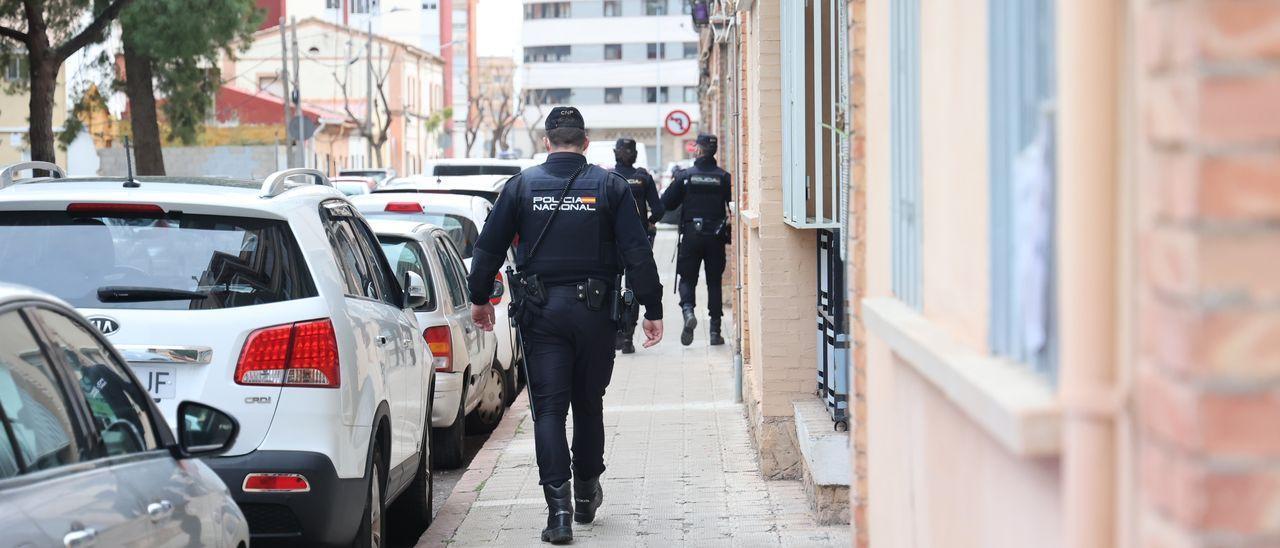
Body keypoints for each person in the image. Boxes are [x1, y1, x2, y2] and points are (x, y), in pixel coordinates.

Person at [466, 106, 664, 545]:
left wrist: (480, 300)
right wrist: (653, 308)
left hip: (542, 317)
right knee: (589, 404)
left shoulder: (521, 187)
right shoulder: (610, 187)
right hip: (595, 315)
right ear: (586, 143)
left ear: (547, 141)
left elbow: (487, 250)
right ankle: (588, 491)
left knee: (549, 411)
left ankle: (559, 514)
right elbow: (637, 253)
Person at [660, 133, 731, 346]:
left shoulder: (685, 176)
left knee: (688, 279)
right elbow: (732, 204)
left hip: (692, 234)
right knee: (714, 282)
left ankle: (688, 311)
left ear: (698, 150)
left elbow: (667, 203)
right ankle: (715, 332)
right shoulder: (724, 177)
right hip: (716, 236)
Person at [611, 138, 664, 354]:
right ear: (634, 155)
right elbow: (659, 209)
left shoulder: (608, 178)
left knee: (613, 286)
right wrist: (649, 223)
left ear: (615, 153)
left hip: (612, 242)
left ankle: (616, 333)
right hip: (637, 242)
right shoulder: (643, 177)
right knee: (633, 288)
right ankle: (628, 339)